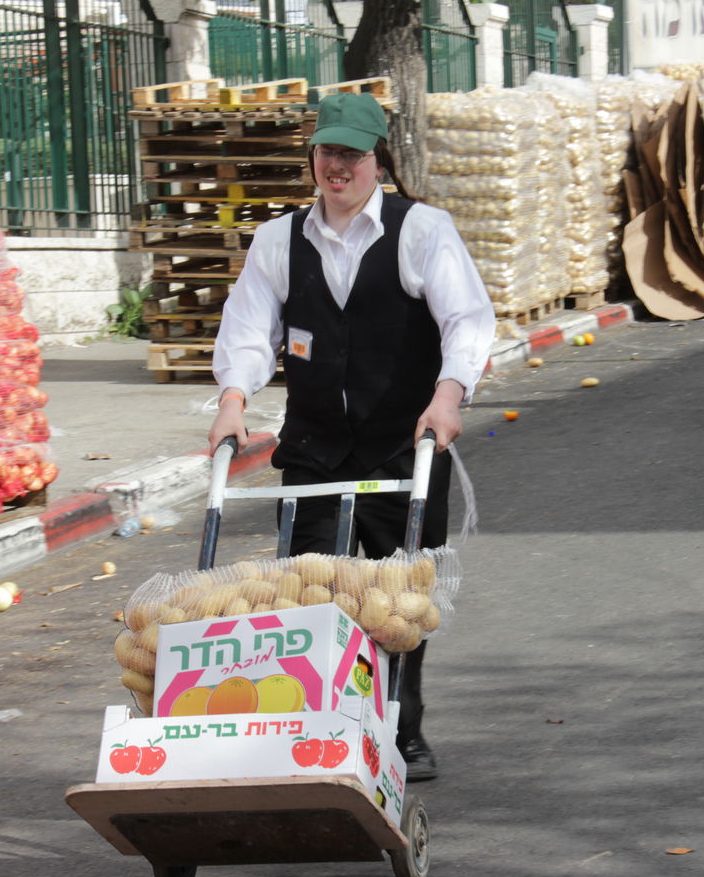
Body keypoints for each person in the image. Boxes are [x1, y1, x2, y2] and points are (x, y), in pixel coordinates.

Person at [207, 92, 496, 782]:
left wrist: (449, 395)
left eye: (352, 155)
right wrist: (232, 399)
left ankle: (404, 728)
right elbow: (249, 331)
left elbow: (468, 320)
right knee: (312, 596)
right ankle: (317, 727)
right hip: (315, 450)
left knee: (400, 603)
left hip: (403, 445)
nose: (337, 168)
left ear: (377, 160)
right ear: (313, 156)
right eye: (327, 153)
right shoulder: (279, 241)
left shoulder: (421, 229)